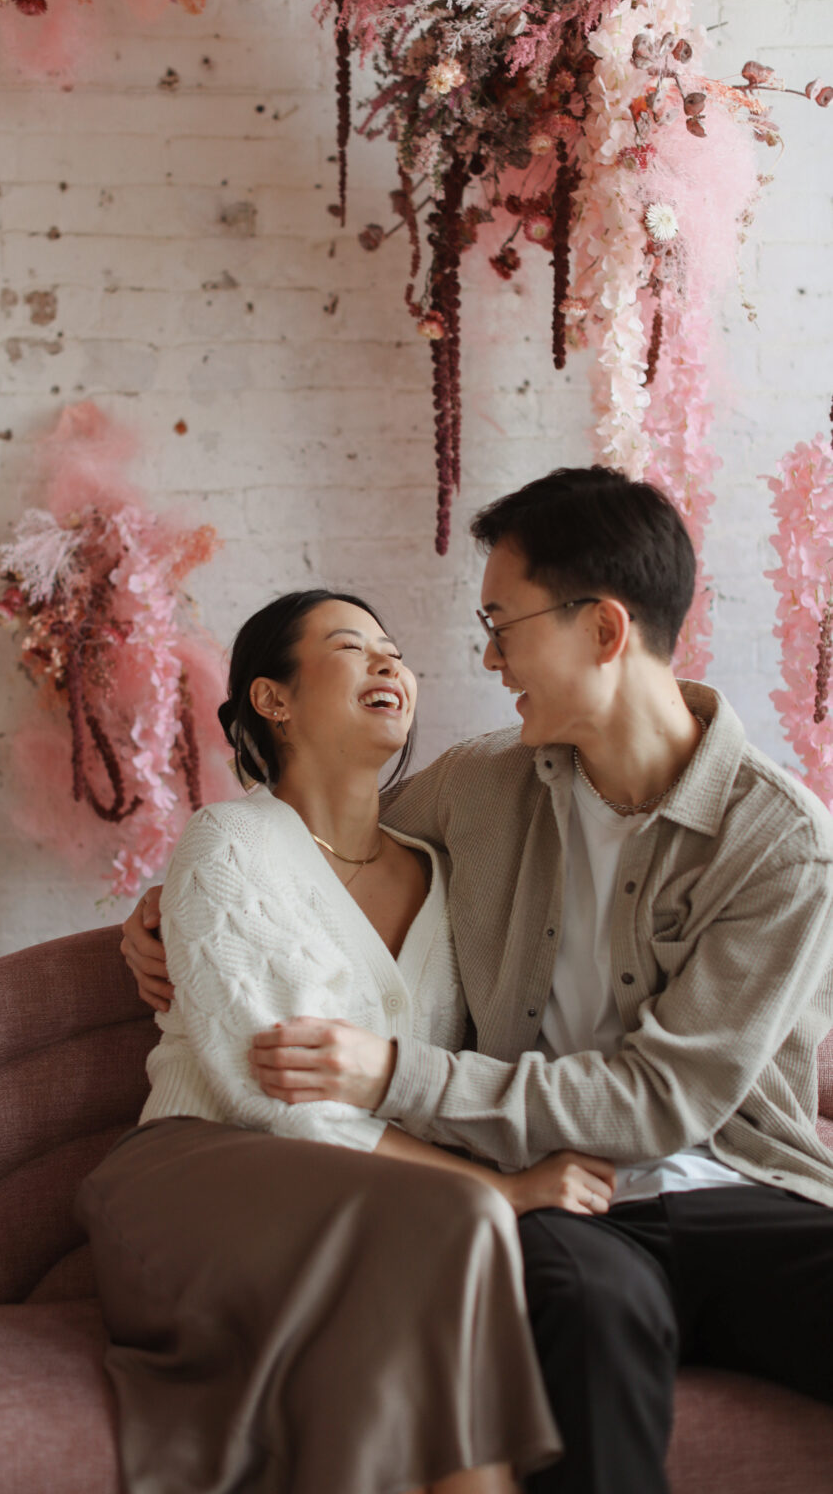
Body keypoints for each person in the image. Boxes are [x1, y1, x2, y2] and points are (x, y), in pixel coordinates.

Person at [124, 470, 833, 1494]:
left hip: (741, 1190)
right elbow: (308, 843)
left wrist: (391, 1074)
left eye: (503, 623)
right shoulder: (478, 784)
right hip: (565, 1213)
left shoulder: (777, 839)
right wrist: (155, 910)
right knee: (583, 1315)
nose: (487, 656)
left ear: (601, 629)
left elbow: (663, 1099)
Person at [81, 588, 623, 1494]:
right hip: (200, 1177)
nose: (388, 664)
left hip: (379, 1203)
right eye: (350, 646)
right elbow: (273, 1098)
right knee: (460, 1222)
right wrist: (509, 1189)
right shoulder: (226, 842)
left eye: (394, 650)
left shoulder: (446, 873)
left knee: (435, 1256)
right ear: (273, 699)